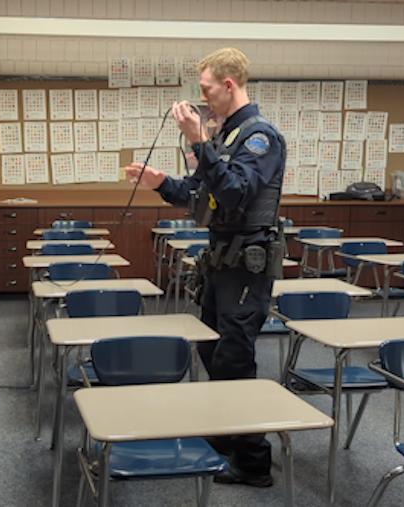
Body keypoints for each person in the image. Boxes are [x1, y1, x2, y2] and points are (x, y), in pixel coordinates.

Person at [124, 47, 285, 488]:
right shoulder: (225, 138)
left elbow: (235, 194)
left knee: (236, 356)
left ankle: (254, 461)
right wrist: (162, 183)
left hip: (246, 267)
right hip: (220, 263)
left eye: (207, 89)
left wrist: (197, 141)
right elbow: (201, 194)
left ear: (228, 85)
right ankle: (227, 432)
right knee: (211, 350)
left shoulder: (259, 137)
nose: (203, 98)